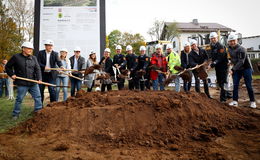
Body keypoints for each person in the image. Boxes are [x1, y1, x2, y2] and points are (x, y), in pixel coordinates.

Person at [5, 42, 42, 120]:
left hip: (33, 82)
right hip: (22, 83)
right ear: (23, 49)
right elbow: (8, 67)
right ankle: (16, 114)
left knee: (38, 97)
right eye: (28, 49)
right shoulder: (16, 57)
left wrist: (39, 79)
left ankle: (38, 112)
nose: (30, 50)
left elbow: (37, 69)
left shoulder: (34, 58)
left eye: (31, 49)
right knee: (19, 99)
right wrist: (11, 74)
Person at [227, 34, 256, 108]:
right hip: (237, 69)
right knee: (235, 85)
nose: (232, 42)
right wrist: (230, 62)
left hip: (246, 68)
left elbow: (241, 62)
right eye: (231, 41)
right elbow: (232, 58)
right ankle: (235, 101)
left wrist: (232, 69)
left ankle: (252, 101)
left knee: (248, 85)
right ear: (228, 42)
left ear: (237, 41)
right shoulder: (229, 49)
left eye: (234, 41)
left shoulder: (242, 49)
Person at [207, 32, 229, 102]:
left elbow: (220, 58)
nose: (213, 39)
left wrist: (212, 64)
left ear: (217, 38)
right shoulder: (212, 46)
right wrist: (210, 62)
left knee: (223, 82)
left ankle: (223, 99)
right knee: (219, 82)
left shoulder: (221, 46)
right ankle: (227, 94)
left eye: (214, 38)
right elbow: (212, 57)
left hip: (223, 67)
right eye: (211, 38)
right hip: (218, 67)